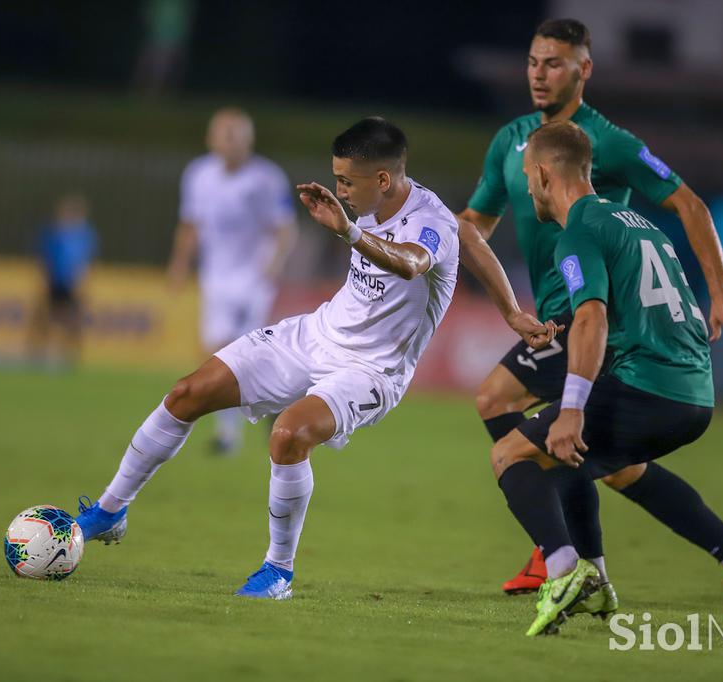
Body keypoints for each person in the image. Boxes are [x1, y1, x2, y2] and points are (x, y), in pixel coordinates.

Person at [74, 117, 552, 599]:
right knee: (186, 393)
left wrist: (349, 232)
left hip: (372, 372)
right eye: (338, 178)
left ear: (382, 180)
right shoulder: (400, 201)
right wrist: (512, 310)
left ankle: (277, 571)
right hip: (314, 334)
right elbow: (470, 236)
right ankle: (111, 509)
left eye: (347, 181)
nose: (341, 190)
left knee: (288, 434)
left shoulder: (426, 221)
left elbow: (411, 262)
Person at [458, 18, 723, 598]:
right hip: (550, 314)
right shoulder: (511, 141)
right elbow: (474, 226)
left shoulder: (609, 144)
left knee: (514, 414)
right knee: (606, 461)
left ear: (584, 69)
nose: (539, 74)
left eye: (554, 63)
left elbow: (691, 205)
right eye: (532, 61)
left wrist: (721, 290)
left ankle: (561, 551)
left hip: (589, 317)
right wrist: (422, 250)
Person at [490, 121, 723, 636]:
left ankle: (560, 571)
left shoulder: (578, 231)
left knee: (510, 453)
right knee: (571, 460)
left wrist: (573, 405)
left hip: (649, 387)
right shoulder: (638, 223)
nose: (526, 188)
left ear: (542, 174)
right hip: (694, 394)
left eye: (527, 177)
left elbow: (592, 318)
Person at [167, 108, 299, 454]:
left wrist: (273, 265)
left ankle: (230, 435)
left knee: (238, 352)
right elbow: (190, 224)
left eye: (236, 134)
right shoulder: (198, 175)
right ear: (211, 138)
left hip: (252, 278)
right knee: (217, 353)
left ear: (249, 139)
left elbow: (285, 227)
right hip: (216, 277)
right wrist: (180, 264)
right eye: (224, 134)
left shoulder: (266, 178)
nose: (230, 141)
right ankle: (275, 404)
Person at [29, 194, 98, 365]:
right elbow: (44, 257)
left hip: (72, 284)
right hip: (54, 281)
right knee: (43, 318)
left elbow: (86, 261)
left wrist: (83, 282)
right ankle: (37, 354)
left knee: (73, 322)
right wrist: (44, 278)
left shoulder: (85, 235)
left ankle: (70, 357)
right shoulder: (52, 232)